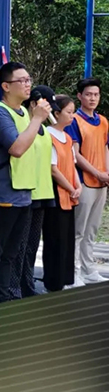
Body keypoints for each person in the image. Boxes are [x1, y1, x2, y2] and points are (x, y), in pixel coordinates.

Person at [0, 62, 51, 306]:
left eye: (29, 79)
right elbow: (17, 148)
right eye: (22, 80)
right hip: (3, 195)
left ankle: (4, 299)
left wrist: (34, 119)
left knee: (11, 254)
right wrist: (37, 119)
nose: (28, 84)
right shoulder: (0, 113)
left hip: (24, 195)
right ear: (6, 86)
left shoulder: (24, 114)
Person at [11, 84, 58, 298]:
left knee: (31, 246)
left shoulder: (45, 131)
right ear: (34, 104)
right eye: (47, 106)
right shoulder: (24, 127)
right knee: (19, 246)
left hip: (43, 194)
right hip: (27, 193)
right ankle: (15, 289)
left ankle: (27, 286)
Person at [65, 76, 109, 285]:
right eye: (88, 94)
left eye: (96, 94)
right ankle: (73, 273)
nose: (92, 98)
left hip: (101, 182)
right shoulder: (74, 120)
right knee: (78, 231)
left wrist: (106, 173)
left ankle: (88, 269)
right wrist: (97, 173)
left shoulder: (103, 121)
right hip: (83, 181)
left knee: (92, 229)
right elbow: (75, 154)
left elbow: (105, 148)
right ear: (79, 96)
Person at [43, 94, 80, 292]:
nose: (72, 116)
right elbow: (53, 169)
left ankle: (66, 278)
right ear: (56, 113)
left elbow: (72, 165)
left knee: (67, 238)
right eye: (69, 112)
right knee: (55, 239)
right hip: (56, 194)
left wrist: (78, 186)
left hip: (70, 194)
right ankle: (54, 283)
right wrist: (71, 188)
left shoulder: (66, 137)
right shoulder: (48, 135)